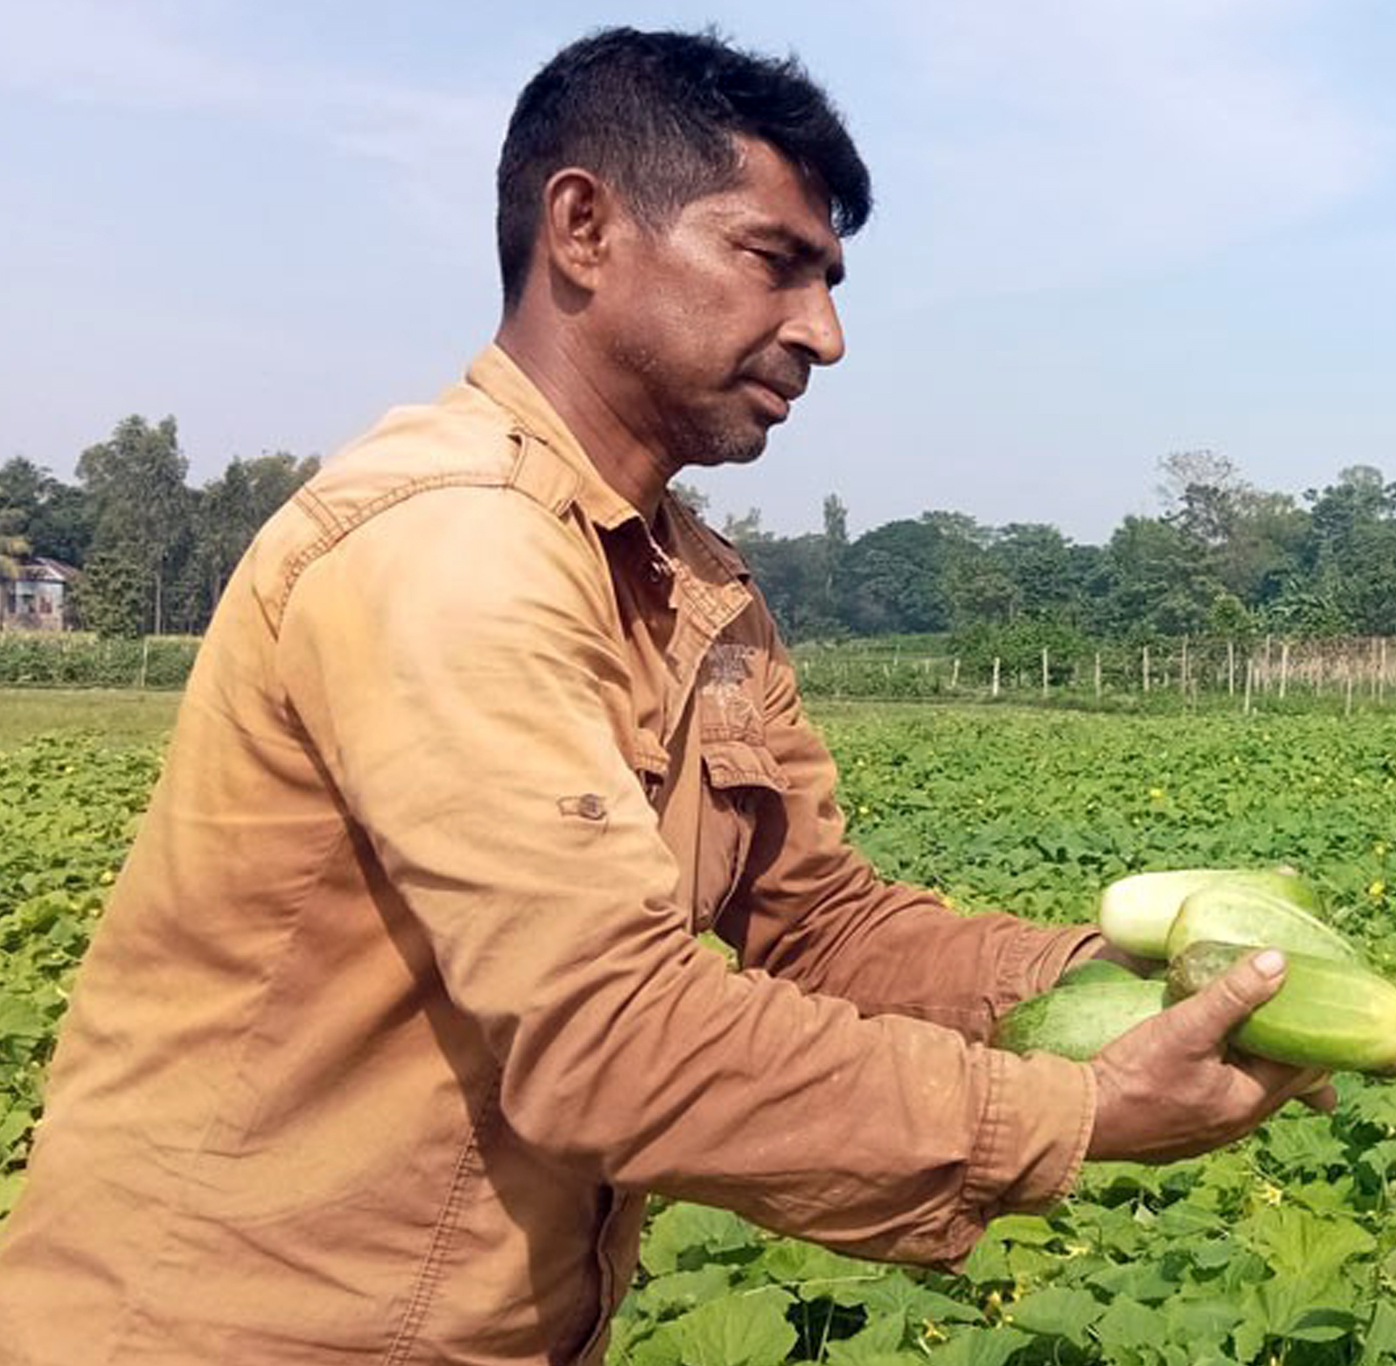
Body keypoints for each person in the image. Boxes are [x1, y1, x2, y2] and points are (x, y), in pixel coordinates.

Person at [0, 28, 1323, 1365]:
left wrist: (1132, 981)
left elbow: (824, 925)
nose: (827, 331)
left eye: (832, 278)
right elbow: (613, 1039)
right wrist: (1070, 1106)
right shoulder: (451, 546)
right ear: (583, 226)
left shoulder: (693, 585)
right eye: (775, 261)